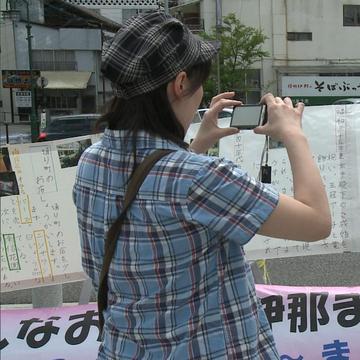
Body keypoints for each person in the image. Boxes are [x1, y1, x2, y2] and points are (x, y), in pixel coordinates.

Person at [73, 12, 331, 359]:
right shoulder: (200, 177)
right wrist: (294, 134)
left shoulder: (92, 161)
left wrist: (196, 143)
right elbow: (316, 221)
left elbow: (152, 198)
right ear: (180, 83)